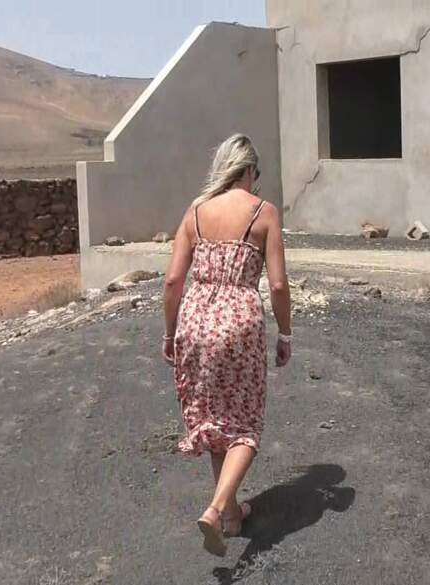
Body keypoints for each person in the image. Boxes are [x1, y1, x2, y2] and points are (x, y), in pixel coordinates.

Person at [162, 134, 292, 557]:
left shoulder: (196, 212)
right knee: (244, 425)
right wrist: (285, 333)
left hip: (195, 319)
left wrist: (169, 333)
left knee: (215, 418)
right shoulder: (263, 212)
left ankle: (234, 515)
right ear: (249, 169)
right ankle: (217, 509)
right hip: (238, 322)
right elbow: (277, 284)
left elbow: (172, 281)